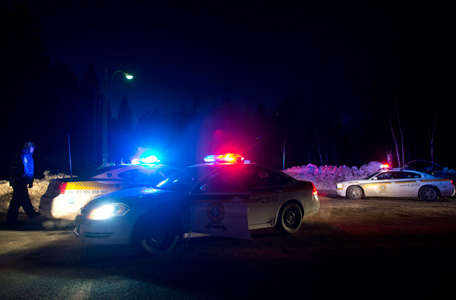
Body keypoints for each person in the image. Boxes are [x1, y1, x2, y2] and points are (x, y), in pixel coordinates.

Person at [7, 142, 41, 226]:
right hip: (20, 182)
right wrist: (29, 181)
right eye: (32, 148)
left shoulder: (25, 156)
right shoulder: (24, 156)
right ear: (28, 148)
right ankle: (31, 215)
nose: (33, 149)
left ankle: (12, 220)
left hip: (20, 181)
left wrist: (29, 181)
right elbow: (24, 170)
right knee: (22, 199)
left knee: (18, 200)